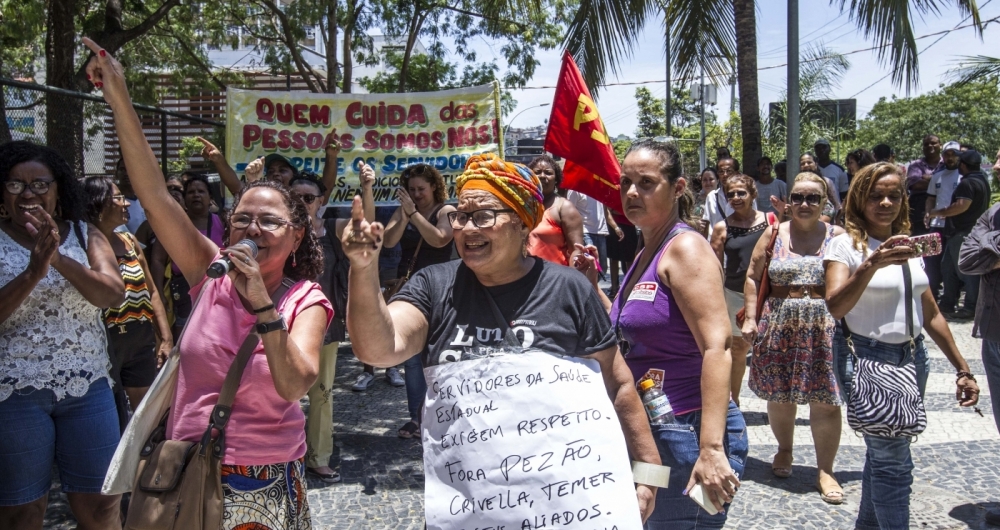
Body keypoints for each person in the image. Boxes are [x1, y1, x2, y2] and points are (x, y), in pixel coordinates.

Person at [86, 39, 333, 529]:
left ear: (298, 233)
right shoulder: (209, 271)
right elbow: (155, 195)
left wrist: (264, 307)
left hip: (261, 479)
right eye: (242, 219)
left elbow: (293, 384)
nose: (252, 230)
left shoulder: (307, 300)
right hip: (183, 470)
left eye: (269, 221)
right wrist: (118, 97)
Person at [342, 152, 661, 522]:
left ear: (523, 224)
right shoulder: (434, 285)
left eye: (484, 216)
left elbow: (619, 384)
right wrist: (362, 269)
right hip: (471, 510)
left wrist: (649, 472)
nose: (467, 229)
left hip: (563, 506)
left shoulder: (569, 289)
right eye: (461, 216)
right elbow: (378, 349)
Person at [824, 161, 980, 530]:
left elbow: (931, 313)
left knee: (884, 454)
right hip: (866, 358)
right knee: (894, 463)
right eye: (876, 196)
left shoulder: (912, 246)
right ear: (859, 200)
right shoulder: (844, 246)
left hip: (913, 358)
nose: (886, 203)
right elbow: (835, 307)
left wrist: (963, 369)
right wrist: (871, 264)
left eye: (894, 195)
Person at [612, 140, 746, 528]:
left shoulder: (685, 248)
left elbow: (717, 346)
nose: (632, 192)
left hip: (689, 434)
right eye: (625, 183)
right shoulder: (646, 251)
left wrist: (711, 448)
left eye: (646, 183)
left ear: (678, 187)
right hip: (656, 436)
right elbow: (637, 331)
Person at [0, 141, 126, 529]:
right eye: (15, 185)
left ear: (58, 189)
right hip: (15, 392)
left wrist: (55, 257)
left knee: (102, 506)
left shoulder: (87, 234)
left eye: (40, 184)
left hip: (87, 388)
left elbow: (111, 293)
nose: (29, 194)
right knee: (23, 512)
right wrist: (32, 272)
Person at [743, 172, 846, 504]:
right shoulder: (773, 233)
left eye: (812, 198)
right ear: (788, 201)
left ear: (824, 202)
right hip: (778, 326)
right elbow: (751, 276)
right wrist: (752, 318)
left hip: (825, 328)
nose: (804, 204)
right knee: (780, 396)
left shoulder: (837, 236)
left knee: (826, 402)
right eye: (798, 197)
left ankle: (825, 469)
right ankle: (784, 450)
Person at [290, 168, 374, 483]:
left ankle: (318, 457)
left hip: (323, 326)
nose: (301, 203)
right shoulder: (277, 231)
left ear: (321, 201)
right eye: (295, 197)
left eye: (308, 198)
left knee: (321, 394)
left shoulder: (331, 229)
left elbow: (363, 227)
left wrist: (366, 187)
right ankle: (281, 454)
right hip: (280, 327)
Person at [82, 176, 173, 423]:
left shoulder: (129, 241)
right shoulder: (80, 245)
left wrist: (165, 338)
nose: (127, 204)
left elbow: (152, 291)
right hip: (104, 341)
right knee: (111, 417)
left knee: (145, 417)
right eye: (119, 197)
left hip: (139, 339)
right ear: (98, 203)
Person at [380, 163, 457, 438]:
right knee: (412, 358)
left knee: (440, 354)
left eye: (421, 189)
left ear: (434, 187)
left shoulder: (446, 211)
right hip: (411, 288)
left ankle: (447, 413)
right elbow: (388, 242)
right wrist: (405, 215)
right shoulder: (406, 211)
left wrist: (415, 214)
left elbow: (439, 239)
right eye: (411, 190)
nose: (416, 194)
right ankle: (417, 417)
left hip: (444, 288)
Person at [710, 174, 771, 407]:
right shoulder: (722, 227)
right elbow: (715, 268)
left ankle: (776, 403)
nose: (736, 198)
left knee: (769, 346)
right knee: (737, 350)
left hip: (767, 294)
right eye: (731, 194)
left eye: (741, 193)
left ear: (752, 194)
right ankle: (732, 404)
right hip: (734, 295)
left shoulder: (771, 221)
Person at [958, 202, 1000, 527]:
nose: (997, 164)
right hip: (995, 334)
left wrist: (990, 244)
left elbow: (981, 253)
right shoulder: (995, 212)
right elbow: (967, 260)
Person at [151, 173, 226, 338]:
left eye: (201, 191)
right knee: (185, 335)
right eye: (191, 192)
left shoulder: (223, 221)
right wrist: (159, 294)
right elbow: (158, 260)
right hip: (184, 293)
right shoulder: (174, 225)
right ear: (184, 198)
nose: (196, 195)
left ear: (210, 197)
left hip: (219, 289)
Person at [933, 150, 992, 318]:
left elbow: (961, 206)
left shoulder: (967, 183)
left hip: (964, 233)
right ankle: (947, 304)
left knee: (966, 271)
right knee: (948, 269)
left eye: (959, 162)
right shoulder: (982, 180)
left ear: (963, 165)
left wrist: (937, 212)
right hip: (963, 233)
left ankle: (971, 307)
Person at [525, 155, 584, 265]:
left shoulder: (564, 208)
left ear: (556, 179)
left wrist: (574, 278)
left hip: (555, 279)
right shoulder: (522, 205)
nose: (542, 176)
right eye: (537, 172)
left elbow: (577, 251)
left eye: (548, 173)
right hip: (524, 277)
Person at [923, 141, 962, 300]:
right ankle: (932, 295)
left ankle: (952, 297)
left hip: (955, 226)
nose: (950, 158)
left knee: (951, 265)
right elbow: (930, 198)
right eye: (947, 154)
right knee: (931, 262)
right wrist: (928, 213)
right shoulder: (937, 176)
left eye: (954, 154)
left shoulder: (964, 176)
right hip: (936, 225)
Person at [704, 157, 752, 238]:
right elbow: (707, 224)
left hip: (740, 241)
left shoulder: (746, 196)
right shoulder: (712, 197)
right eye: (721, 172)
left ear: (737, 173)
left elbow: (752, 219)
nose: (725, 175)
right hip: (717, 244)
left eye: (729, 171)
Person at [906, 135, 944, 237]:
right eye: (926, 144)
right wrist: (941, 183)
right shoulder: (915, 165)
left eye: (933, 143)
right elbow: (915, 185)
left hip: (943, 209)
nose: (930, 146)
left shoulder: (947, 164)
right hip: (919, 211)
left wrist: (930, 178)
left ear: (940, 145)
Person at [566, 189, 609, 271]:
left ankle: (593, 283)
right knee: (590, 266)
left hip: (601, 232)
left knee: (602, 268)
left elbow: (605, 210)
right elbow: (569, 212)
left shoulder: (599, 188)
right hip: (585, 232)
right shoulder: (575, 189)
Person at [800, 153, 841, 221]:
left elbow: (837, 206)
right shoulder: (798, 184)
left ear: (816, 164)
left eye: (809, 162)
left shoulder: (827, 182)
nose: (806, 165)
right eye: (802, 163)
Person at [606, 209, 638, 297]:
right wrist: (615, 227)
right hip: (614, 226)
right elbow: (608, 210)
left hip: (629, 226)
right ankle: (614, 288)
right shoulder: (612, 195)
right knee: (614, 259)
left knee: (630, 259)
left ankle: (630, 287)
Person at [114, 157, 146, 234]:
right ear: (116, 174)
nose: (126, 173)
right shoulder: (114, 202)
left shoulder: (144, 201)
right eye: (122, 170)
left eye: (130, 169)